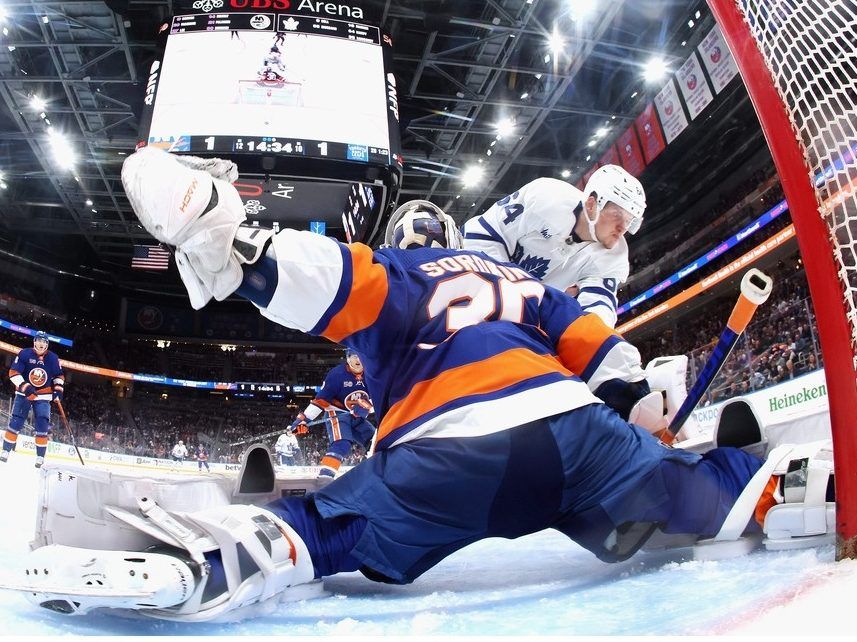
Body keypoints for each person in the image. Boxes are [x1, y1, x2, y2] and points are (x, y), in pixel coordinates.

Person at [18, 147, 826, 622]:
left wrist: (228, 237)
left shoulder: (398, 270)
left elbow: (319, 278)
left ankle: (235, 554)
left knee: (329, 525)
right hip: (574, 433)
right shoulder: (530, 284)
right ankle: (766, 486)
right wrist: (641, 409)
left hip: (451, 453)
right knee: (676, 504)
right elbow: (603, 357)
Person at [461, 166, 646, 328]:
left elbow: (598, 313)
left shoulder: (614, 257)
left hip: (522, 304)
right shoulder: (547, 197)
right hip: (471, 266)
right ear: (592, 204)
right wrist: (510, 291)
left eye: (629, 221)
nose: (623, 228)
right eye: (617, 215)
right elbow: (485, 234)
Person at [289, 350, 375, 480]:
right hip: (337, 413)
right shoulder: (337, 375)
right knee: (342, 443)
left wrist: (367, 407)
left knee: (376, 440)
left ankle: (378, 473)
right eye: (354, 356)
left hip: (357, 417)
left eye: (361, 356)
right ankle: (325, 477)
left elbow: (381, 397)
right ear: (347, 358)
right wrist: (302, 420)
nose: (358, 360)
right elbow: (320, 401)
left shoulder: (372, 373)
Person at [1, 331, 64, 468]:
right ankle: (5, 450)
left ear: (47, 344)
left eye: (44, 341)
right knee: (16, 420)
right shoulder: (24, 353)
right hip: (24, 394)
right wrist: (25, 386)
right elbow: (13, 372)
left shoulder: (53, 358)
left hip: (43, 395)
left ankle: (40, 456)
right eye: (39, 341)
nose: (41, 344)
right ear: (34, 342)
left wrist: (58, 389)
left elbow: (59, 375)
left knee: (42, 424)